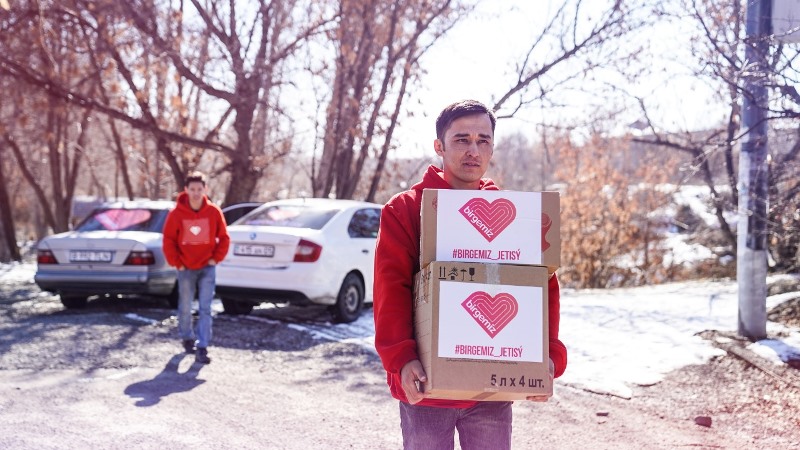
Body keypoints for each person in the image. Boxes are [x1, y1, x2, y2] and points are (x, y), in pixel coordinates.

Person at [373, 100, 568, 450]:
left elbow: (541, 284)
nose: (473, 151)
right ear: (439, 146)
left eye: (483, 140)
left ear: (492, 147)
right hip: (427, 386)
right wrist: (401, 358)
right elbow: (391, 289)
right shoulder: (407, 208)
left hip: (492, 386)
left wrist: (549, 355)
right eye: (462, 139)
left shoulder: (513, 213)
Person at [162, 171, 230, 364]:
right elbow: (168, 240)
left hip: (207, 267)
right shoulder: (176, 214)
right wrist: (178, 262)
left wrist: (215, 258)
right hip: (186, 268)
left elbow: (224, 237)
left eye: (199, 189)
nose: (196, 193)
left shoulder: (213, 212)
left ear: (205, 189)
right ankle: (187, 337)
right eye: (192, 189)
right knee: (185, 305)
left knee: (205, 308)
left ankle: (202, 346)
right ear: (186, 190)